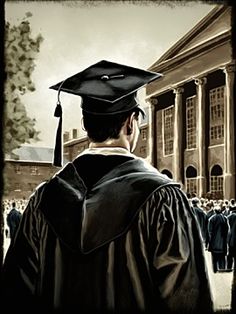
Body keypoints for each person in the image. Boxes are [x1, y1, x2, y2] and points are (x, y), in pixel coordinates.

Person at [0, 60, 213, 314]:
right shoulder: (163, 199)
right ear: (131, 124)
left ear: (86, 124)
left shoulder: (44, 199)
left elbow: (14, 296)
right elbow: (187, 299)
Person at [207, 206, 229, 273]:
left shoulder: (211, 219)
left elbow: (209, 231)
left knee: (214, 259)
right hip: (222, 242)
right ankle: (222, 270)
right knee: (222, 257)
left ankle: (215, 270)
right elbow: (228, 230)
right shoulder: (225, 218)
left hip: (214, 243)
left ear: (214, 211)